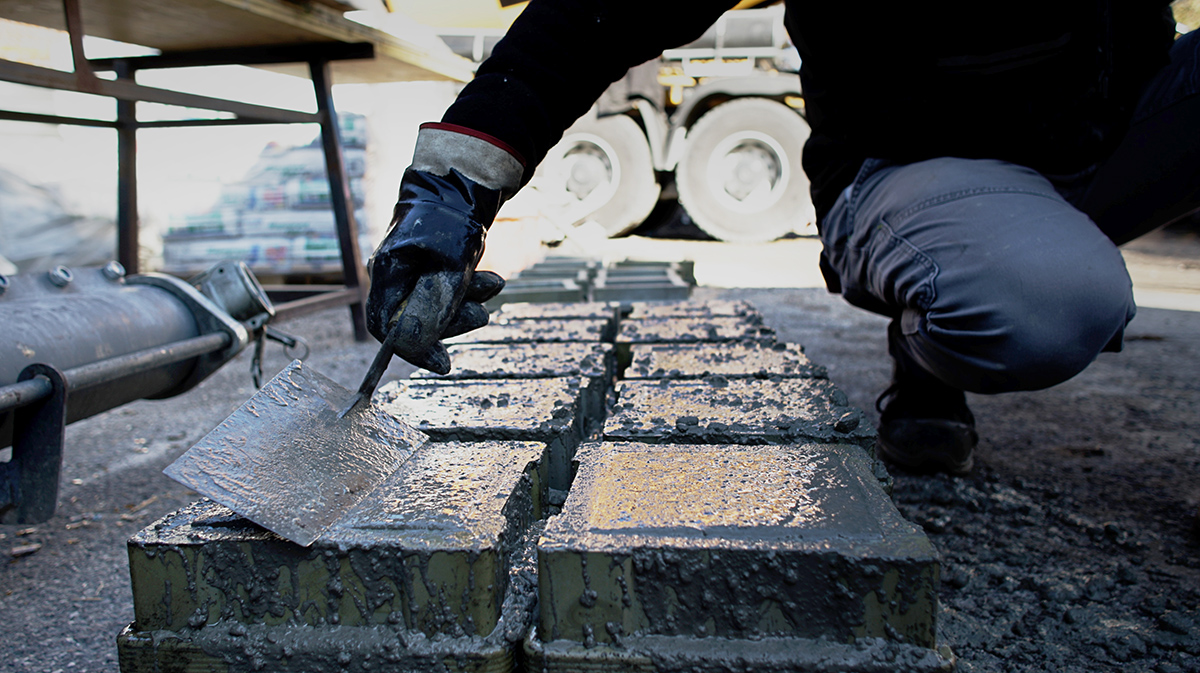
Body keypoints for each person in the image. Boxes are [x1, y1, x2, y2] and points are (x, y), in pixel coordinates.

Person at [364, 0, 1199, 474]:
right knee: (1044, 298)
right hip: (917, 164)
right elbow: (596, 10)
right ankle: (931, 330)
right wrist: (454, 188)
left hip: (1114, 126)